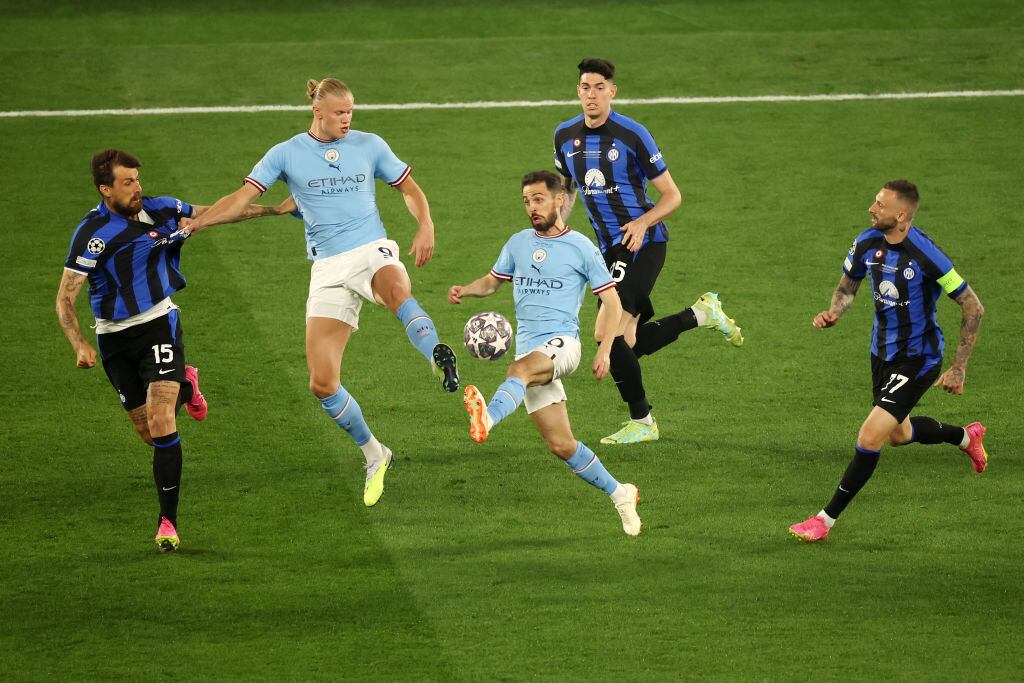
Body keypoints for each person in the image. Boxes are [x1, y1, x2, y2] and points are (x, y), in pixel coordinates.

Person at [179, 77, 459, 508]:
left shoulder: (370, 144)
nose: (348, 119)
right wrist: (201, 222)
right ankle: (375, 453)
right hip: (327, 268)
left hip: (371, 249)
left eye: (351, 111)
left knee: (396, 291)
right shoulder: (286, 153)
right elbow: (240, 198)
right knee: (322, 383)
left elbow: (409, 188)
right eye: (340, 112)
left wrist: (426, 224)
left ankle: (438, 357)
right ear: (318, 111)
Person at [57, 148, 290, 552]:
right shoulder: (93, 235)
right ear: (105, 189)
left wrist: (277, 210)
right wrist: (79, 343)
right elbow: (64, 299)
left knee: (163, 420)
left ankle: (168, 522)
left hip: (159, 325)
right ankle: (187, 383)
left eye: (137, 180)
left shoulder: (161, 209)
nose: (137, 188)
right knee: (150, 434)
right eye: (127, 182)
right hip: (113, 339)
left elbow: (217, 212)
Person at [553, 58, 745, 445]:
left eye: (599, 87)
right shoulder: (564, 136)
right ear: (578, 91)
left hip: (644, 243)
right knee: (629, 343)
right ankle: (701, 314)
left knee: (606, 333)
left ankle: (643, 420)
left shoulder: (632, 135)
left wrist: (642, 223)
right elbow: (567, 188)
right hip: (608, 248)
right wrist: (558, 228)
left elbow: (672, 195)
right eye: (585, 87)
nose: (592, 94)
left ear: (612, 91)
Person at [789, 180, 989, 542]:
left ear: (901, 215)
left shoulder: (927, 255)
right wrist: (834, 312)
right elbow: (847, 286)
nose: (871, 208)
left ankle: (823, 520)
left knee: (869, 436)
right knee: (899, 434)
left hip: (919, 358)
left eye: (879, 205)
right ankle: (966, 436)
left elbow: (973, 307)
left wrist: (959, 367)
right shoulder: (866, 241)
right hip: (881, 354)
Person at [448, 171, 642, 536]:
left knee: (517, 371)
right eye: (526, 201)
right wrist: (466, 290)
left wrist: (605, 350)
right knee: (561, 444)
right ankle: (622, 494)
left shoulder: (581, 247)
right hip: (530, 349)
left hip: (563, 345)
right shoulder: (519, 243)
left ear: (558, 200)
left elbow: (612, 303)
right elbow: (493, 282)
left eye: (538, 199)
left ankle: (487, 419)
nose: (531, 207)